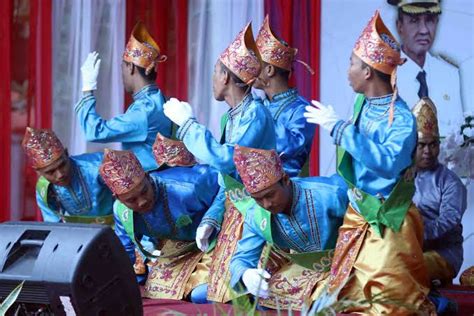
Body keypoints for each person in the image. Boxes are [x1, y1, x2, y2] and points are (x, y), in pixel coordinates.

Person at [304, 11, 434, 314]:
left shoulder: (401, 119)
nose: (347, 70)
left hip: (388, 223)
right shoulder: (364, 104)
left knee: (390, 309)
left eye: (352, 63)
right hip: (358, 215)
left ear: (367, 72)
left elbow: (387, 162)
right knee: (329, 303)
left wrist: (339, 129)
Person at [162, 23, 276, 303]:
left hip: (257, 214)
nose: (213, 78)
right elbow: (227, 180)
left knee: (213, 295)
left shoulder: (255, 115)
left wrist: (188, 125)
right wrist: (212, 219)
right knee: (186, 288)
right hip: (234, 213)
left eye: (214, 72)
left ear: (225, 76)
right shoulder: (232, 116)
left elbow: (227, 160)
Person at [229, 145, 348, 310]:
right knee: (264, 298)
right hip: (308, 270)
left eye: (270, 195)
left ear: (285, 180)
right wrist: (246, 274)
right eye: (258, 199)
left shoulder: (330, 194)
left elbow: (367, 227)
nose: (267, 204)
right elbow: (241, 259)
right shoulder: (256, 215)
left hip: (349, 263)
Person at [100, 145, 219, 301]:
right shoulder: (121, 211)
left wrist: (211, 219)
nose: (141, 202)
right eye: (131, 200)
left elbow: (227, 183)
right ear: (118, 198)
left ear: (148, 177)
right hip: (176, 248)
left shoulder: (188, 186)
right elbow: (124, 255)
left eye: (144, 191)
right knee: (157, 294)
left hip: (215, 238)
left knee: (202, 295)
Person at [75, 22, 172, 171]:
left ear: (131, 67)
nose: (122, 75)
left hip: (149, 187)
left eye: (122, 68)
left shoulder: (144, 111)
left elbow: (96, 132)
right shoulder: (161, 101)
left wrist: (87, 89)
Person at [412, 97, 467, 285]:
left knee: (403, 268)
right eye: (421, 145)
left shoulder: (450, 182)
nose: (427, 150)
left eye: (432, 144)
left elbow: (448, 221)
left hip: (444, 253)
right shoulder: (400, 179)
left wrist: (414, 235)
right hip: (406, 247)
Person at [388, 0, 463, 137]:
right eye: (414, 20)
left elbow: (458, 137)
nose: (424, 30)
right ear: (399, 26)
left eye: (430, 20)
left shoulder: (450, 74)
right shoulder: (383, 77)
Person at [253, 15, 315, 177]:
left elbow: (290, 147)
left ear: (269, 70)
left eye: (256, 64)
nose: (250, 69)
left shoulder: (302, 109)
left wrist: (259, 114)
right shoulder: (260, 104)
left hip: (288, 191)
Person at [22, 127, 114, 224]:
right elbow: (53, 225)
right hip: (81, 235)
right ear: (38, 172)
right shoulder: (44, 189)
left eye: (62, 165)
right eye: (51, 172)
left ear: (66, 154)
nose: (60, 174)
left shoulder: (97, 166)